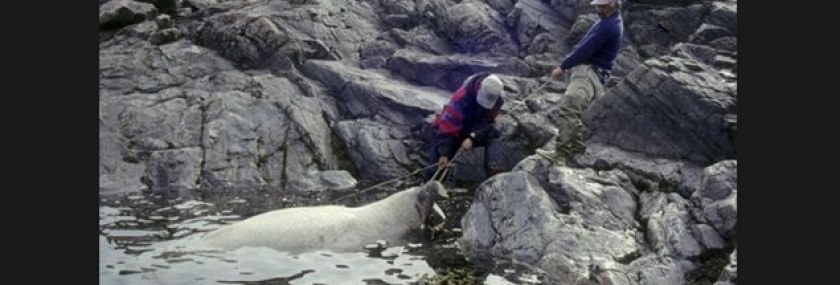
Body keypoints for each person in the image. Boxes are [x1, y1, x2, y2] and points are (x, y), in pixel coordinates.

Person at [549, 0, 624, 164]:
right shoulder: (611, 21)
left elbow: (585, 50)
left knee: (570, 107)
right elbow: (584, 44)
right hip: (597, 76)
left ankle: (560, 155)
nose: (598, 8)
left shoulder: (608, 26)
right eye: (598, 5)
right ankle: (576, 145)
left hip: (589, 74)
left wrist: (562, 66)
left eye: (602, 6)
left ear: (613, 5)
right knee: (577, 111)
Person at [424, 72, 506, 183]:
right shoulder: (462, 96)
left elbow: (487, 122)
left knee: (494, 135)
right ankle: (430, 186)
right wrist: (444, 153)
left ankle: (493, 170)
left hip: (472, 129)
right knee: (439, 161)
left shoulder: (498, 98)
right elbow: (448, 124)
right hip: (453, 130)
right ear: (479, 88)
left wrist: (472, 137)